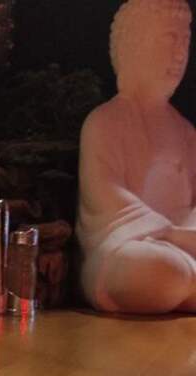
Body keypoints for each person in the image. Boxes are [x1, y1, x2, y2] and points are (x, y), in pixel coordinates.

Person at [78, 0, 196, 313]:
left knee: (172, 269)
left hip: (185, 246)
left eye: (185, 41)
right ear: (134, 44)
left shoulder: (186, 132)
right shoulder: (104, 121)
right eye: (170, 39)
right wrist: (166, 232)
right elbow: (105, 196)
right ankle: (183, 283)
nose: (180, 54)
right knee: (156, 269)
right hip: (128, 247)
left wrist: (186, 234)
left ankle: (185, 283)